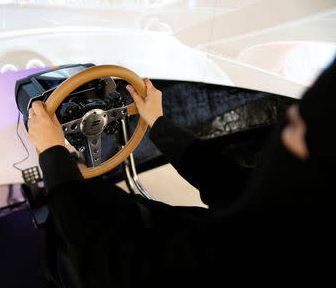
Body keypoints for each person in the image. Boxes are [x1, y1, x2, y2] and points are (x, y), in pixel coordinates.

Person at [27, 59, 336, 286]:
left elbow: (106, 268)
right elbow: (232, 184)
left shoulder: (245, 260)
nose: (284, 125)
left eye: (295, 126)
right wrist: (159, 124)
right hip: (162, 229)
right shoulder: (286, 213)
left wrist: (55, 157)